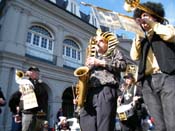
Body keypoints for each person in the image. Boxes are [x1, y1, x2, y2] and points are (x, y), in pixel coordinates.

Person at [130, 1, 175, 131]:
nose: (144, 20)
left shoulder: (166, 29)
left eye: (147, 16)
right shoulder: (141, 37)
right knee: (159, 126)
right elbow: (134, 56)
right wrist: (138, 33)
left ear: (155, 16)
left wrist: (152, 24)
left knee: (172, 122)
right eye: (141, 17)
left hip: (168, 77)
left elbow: (171, 35)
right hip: (148, 83)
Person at [78, 30, 127, 131]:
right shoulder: (92, 57)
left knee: (105, 125)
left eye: (100, 41)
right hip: (90, 92)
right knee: (86, 121)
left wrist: (100, 62)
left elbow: (123, 66)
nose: (97, 43)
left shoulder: (114, 52)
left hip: (106, 90)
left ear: (107, 43)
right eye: (96, 41)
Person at [17, 66, 49, 131]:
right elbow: (18, 76)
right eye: (33, 72)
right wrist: (26, 74)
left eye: (37, 72)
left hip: (39, 112)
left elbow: (44, 98)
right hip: (28, 112)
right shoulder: (25, 82)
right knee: (26, 128)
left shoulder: (40, 84)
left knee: (37, 129)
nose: (36, 73)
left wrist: (44, 113)